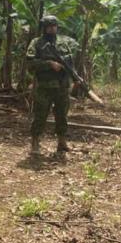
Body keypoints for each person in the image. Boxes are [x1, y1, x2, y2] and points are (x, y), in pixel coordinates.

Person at [26, 15, 79, 158]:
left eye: (54, 26)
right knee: (40, 115)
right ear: (44, 27)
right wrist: (49, 64)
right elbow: (30, 64)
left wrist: (76, 79)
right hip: (44, 87)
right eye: (49, 26)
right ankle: (35, 142)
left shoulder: (65, 42)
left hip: (62, 86)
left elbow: (70, 63)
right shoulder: (36, 43)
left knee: (62, 115)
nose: (52, 29)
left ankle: (62, 142)